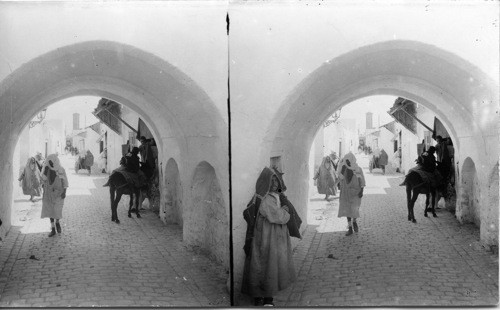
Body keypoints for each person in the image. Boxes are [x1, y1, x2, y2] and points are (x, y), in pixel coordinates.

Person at [241, 167, 296, 307]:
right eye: (271, 181)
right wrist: (285, 211)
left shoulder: (274, 195)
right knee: (264, 263)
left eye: (276, 181)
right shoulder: (264, 198)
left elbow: (279, 203)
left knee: (270, 264)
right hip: (266, 235)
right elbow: (276, 216)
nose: (275, 184)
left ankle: (266, 296)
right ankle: (261, 297)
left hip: (274, 235)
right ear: (265, 182)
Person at [336, 152, 366, 236]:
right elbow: (340, 178)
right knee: (347, 209)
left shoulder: (357, 169)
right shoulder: (344, 168)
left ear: (353, 160)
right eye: (346, 160)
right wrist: (342, 170)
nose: (348, 162)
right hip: (346, 192)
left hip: (356, 192)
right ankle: (349, 228)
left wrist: (361, 191)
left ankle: (354, 221)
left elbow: (362, 181)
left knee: (355, 209)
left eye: (349, 160)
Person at [40, 154, 68, 237]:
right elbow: (43, 180)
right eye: (49, 162)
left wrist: (64, 192)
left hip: (59, 193)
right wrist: (45, 171)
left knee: (57, 210)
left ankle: (57, 222)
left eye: (52, 162)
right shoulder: (46, 169)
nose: (50, 163)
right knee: (50, 210)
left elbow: (65, 181)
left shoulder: (61, 169)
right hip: (48, 193)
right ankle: (53, 229)